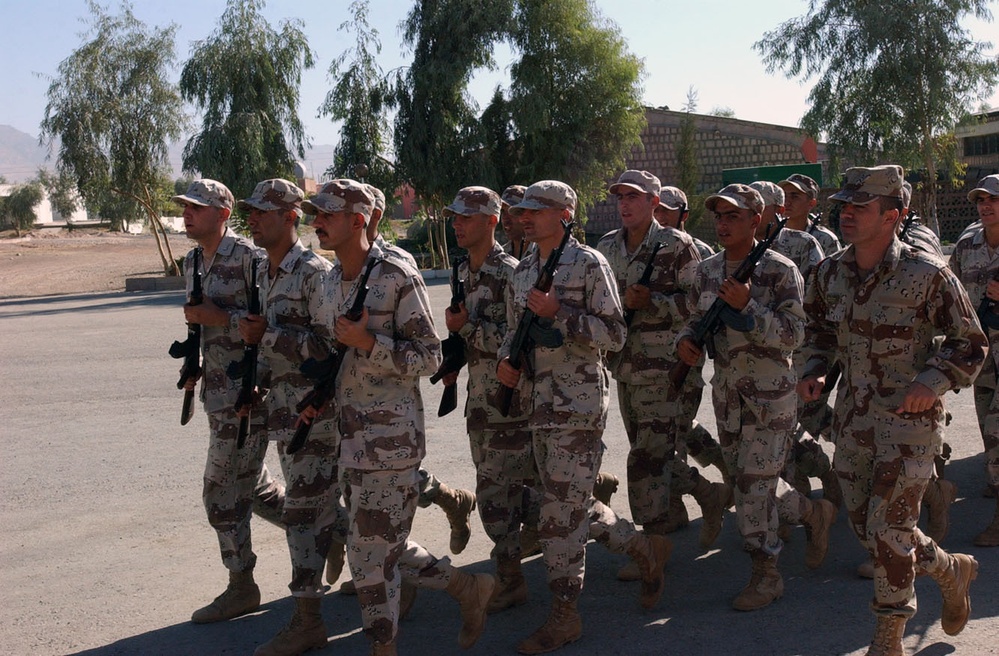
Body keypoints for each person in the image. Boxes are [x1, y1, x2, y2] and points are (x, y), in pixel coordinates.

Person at [798, 165, 985, 655]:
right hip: (853, 424)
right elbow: (816, 335)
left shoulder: (928, 275)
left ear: (894, 215)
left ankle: (888, 636)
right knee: (868, 529)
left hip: (909, 426)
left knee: (888, 530)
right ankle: (950, 569)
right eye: (845, 206)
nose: (848, 214)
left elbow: (970, 344)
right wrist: (815, 370)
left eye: (861, 207)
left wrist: (932, 378)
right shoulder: (828, 273)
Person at [306, 179, 494, 655]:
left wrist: (370, 343)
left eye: (327, 214)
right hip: (348, 437)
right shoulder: (330, 278)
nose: (317, 222)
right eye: (316, 213)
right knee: (377, 546)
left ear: (357, 220)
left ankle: (383, 648)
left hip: (391, 440)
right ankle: (468, 590)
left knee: (369, 558)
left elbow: (429, 356)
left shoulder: (393, 273)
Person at [497, 180, 669, 654]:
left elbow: (614, 333)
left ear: (566, 213)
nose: (526, 217)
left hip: (578, 407)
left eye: (538, 209)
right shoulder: (523, 269)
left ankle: (565, 615)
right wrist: (505, 363)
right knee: (568, 502)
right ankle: (641, 548)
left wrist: (561, 314)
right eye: (524, 210)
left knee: (559, 512)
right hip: (537, 405)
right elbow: (514, 333)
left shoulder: (589, 263)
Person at [676, 184, 833, 612]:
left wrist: (749, 310)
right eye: (719, 216)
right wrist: (687, 342)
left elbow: (795, 335)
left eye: (734, 216)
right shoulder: (707, 271)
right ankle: (812, 513)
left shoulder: (779, 271)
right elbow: (693, 318)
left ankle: (767, 575)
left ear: (756, 220)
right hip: (727, 395)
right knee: (747, 482)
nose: (723, 223)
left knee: (752, 487)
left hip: (770, 395)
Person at [235, 179, 345, 656]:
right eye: (251, 212)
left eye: (262, 212)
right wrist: (255, 383)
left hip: (315, 417)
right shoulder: (265, 271)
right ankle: (421, 581)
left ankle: (307, 621)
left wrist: (271, 336)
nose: (253, 219)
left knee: (303, 515)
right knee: (332, 517)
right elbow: (268, 347)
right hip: (280, 412)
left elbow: (331, 350)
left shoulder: (315, 274)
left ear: (290, 217)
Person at [597, 170, 730, 563]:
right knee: (655, 450)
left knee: (645, 458)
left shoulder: (677, 245)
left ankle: (652, 548)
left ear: (654, 203)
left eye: (633, 196)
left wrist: (653, 301)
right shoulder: (607, 247)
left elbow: (702, 304)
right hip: (625, 367)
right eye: (619, 196)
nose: (624, 203)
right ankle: (686, 508)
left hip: (669, 367)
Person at [173, 179, 287, 625]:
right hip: (217, 395)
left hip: (249, 396)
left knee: (220, 491)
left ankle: (242, 585)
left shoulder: (251, 259)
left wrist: (218, 318)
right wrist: (196, 359)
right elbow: (202, 326)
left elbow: (271, 322)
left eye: (197, 208)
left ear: (223, 214)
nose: (187, 214)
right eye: (184, 207)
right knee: (255, 490)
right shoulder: (192, 261)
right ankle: (333, 534)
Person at [363, 183, 477, 556]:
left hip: (390, 399)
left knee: (392, 485)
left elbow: (421, 344)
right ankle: (449, 500)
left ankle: (395, 572)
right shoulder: (341, 269)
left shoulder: (396, 265)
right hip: (351, 402)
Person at [440, 185, 535, 613]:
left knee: (498, 496)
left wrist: (468, 330)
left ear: (492, 221)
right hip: (479, 404)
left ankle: (511, 579)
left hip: (509, 405)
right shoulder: (464, 272)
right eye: (455, 217)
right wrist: (453, 357)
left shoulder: (512, 273)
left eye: (466, 217)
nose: (457, 224)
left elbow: (522, 343)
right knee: (511, 492)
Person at [748, 181, 841, 511]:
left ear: (778, 210)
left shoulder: (805, 245)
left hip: (798, 353)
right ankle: (816, 477)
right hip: (758, 359)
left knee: (793, 424)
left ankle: (812, 486)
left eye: (761, 206)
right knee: (778, 430)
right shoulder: (742, 250)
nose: (754, 213)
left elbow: (822, 300)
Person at [653, 184, 730, 532]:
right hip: (649, 359)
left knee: (670, 436)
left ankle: (677, 506)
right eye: (659, 210)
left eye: (669, 211)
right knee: (675, 433)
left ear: (684, 216)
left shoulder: (699, 252)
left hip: (685, 357)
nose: (661, 217)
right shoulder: (649, 247)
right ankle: (720, 465)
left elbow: (704, 310)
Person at [948, 173, 999, 547]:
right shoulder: (967, 244)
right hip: (981, 352)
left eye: (994, 199)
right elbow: (951, 293)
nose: (986, 206)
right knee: (986, 422)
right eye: (981, 200)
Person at [778, 173, 841, 256]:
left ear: (811, 203)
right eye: (784, 196)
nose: (787, 202)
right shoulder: (773, 237)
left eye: (795, 196)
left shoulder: (825, 239)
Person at [500, 184, 530, 259]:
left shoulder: (542, 253)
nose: (505, 219)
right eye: (503, 211)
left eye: (512, 212)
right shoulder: (501, 255)